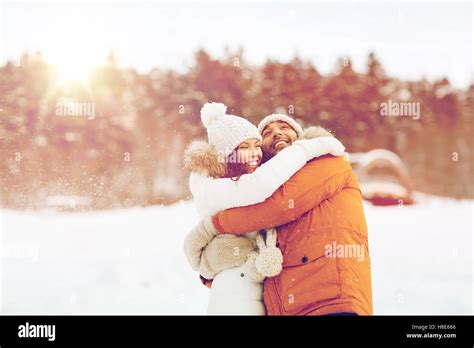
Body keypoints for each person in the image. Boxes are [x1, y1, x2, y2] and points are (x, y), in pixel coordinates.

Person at [184, 113, 373, 316]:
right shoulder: (266, 186)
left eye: (284, 127)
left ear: (299, 136)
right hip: (288, 306)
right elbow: (252, 246)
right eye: (267, 132)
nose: (277, 133)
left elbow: (279, 207)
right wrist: (215, 262)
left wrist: (215, 224)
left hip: (331, 299)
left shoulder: (326, 161)